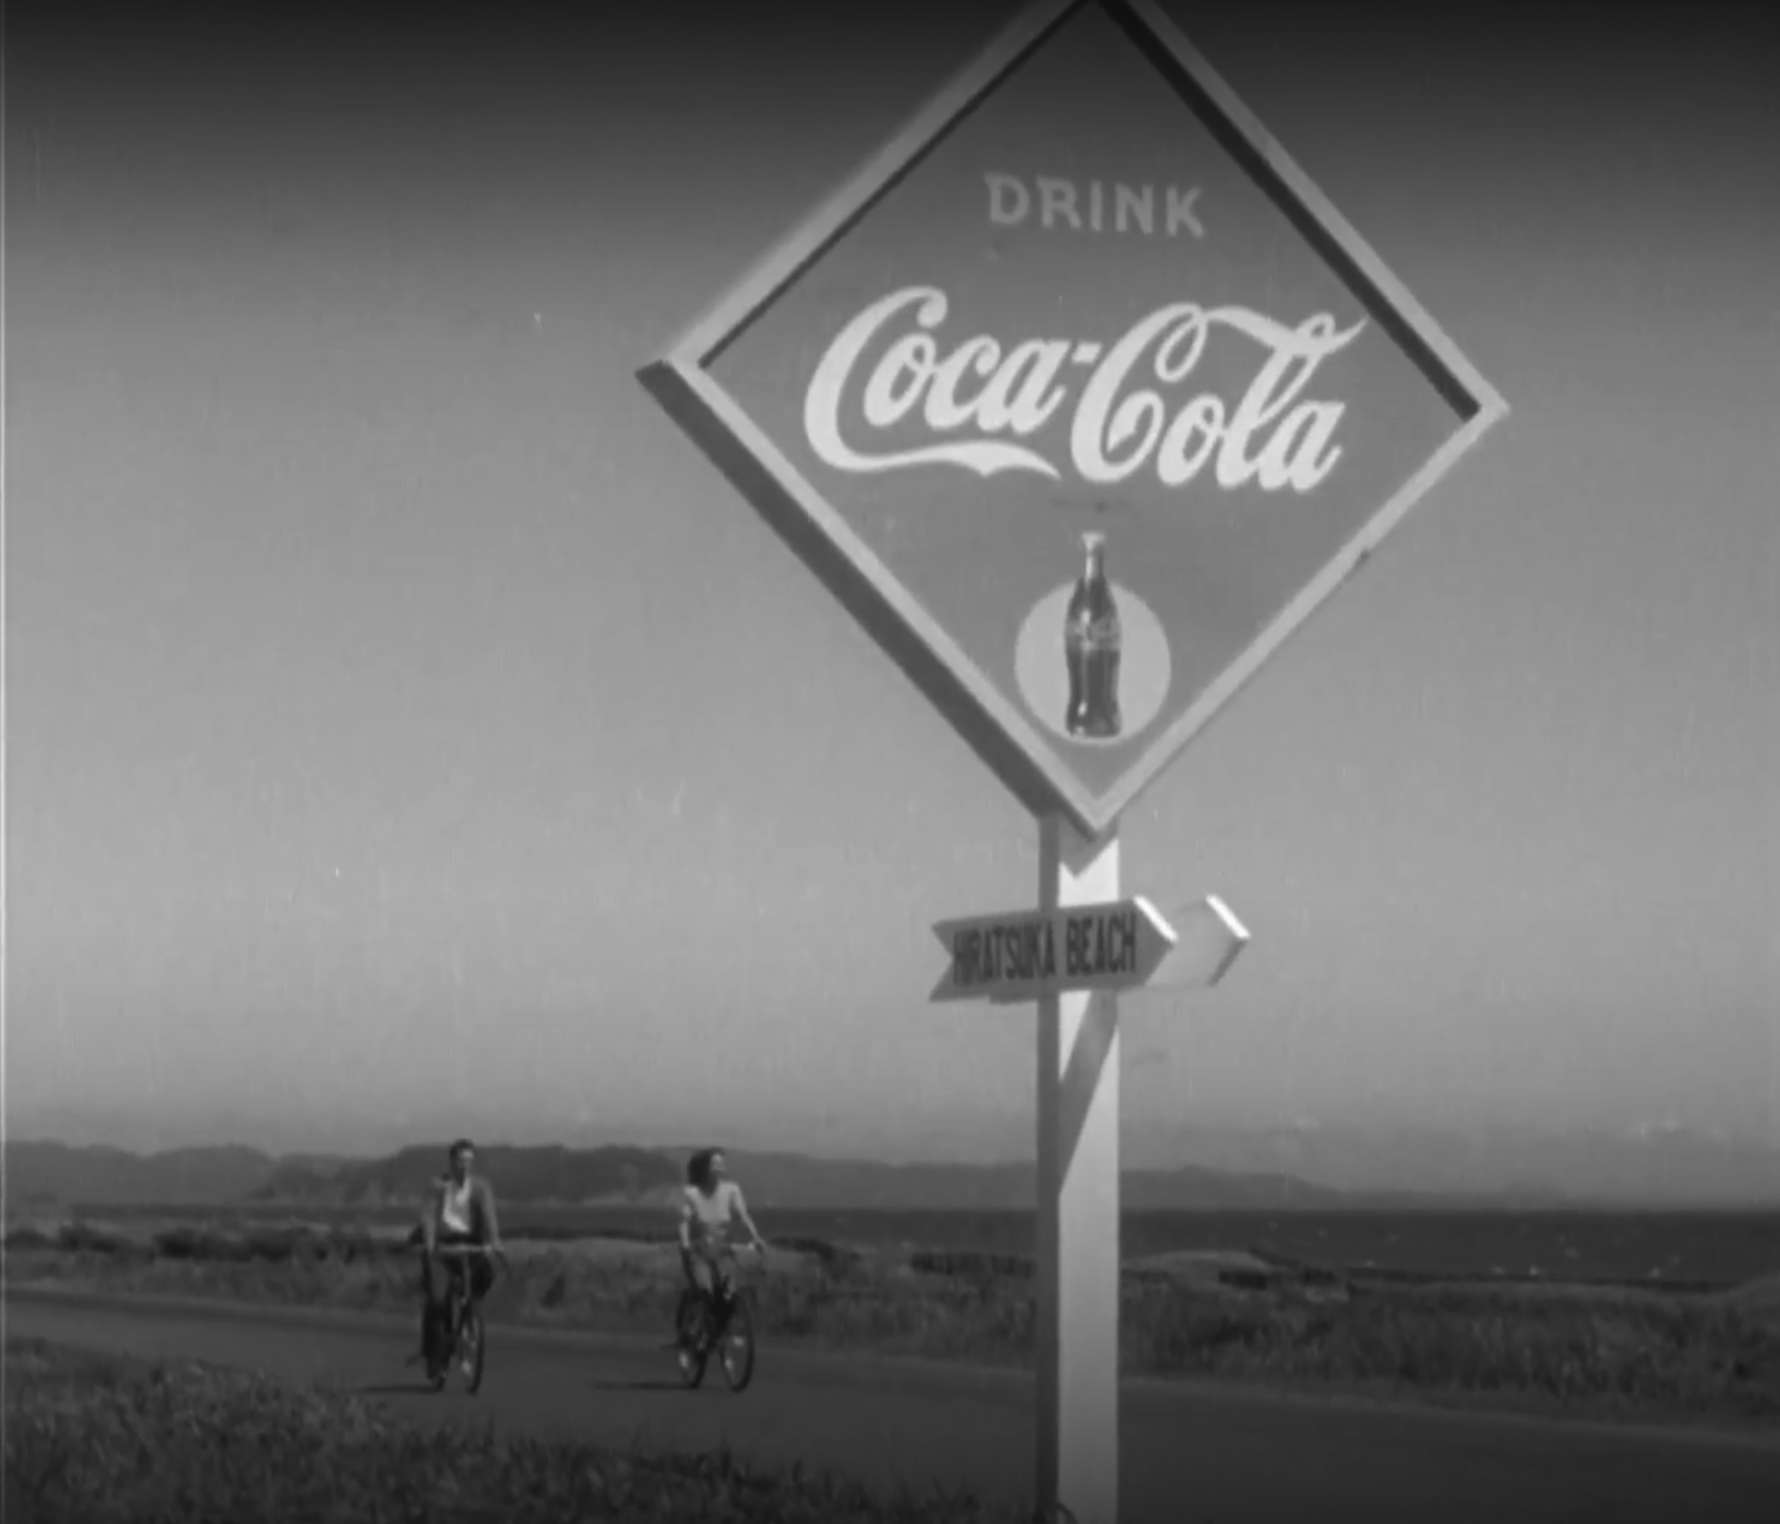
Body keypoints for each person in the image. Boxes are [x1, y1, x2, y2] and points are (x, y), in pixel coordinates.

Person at [418, 1138, 506, 1364]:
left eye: (469, 1160)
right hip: (444, 1247)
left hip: (471, 1245)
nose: (465, 1165)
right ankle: (434, 1349)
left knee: (487, 1273)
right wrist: (430, 1244)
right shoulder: (437, 1186)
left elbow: (489, 1216)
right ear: (451, 1161)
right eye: (460, 1160)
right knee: (437, 1299)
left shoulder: (480, 1187)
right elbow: (428, 1217)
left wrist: (495, 1242)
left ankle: (470, 1315)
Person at [677, 1147, 766, 1307]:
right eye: (714, 1164)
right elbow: (684, 1221)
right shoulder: (691, 1193)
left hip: (723, 1248)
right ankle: (697, 1314)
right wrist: (685, 1245)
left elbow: (743, 1215)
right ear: (704, 1168)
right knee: (705, 1290)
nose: (719, 1167)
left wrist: (755, 1237)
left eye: (721, 1163)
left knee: (729, 1292)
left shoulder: (732, 1190)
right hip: (699, 1249)